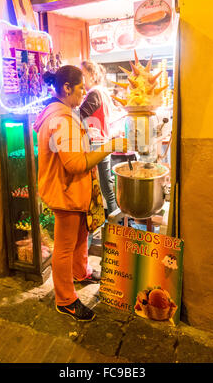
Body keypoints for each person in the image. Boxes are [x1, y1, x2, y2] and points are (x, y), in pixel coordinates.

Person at [33, 66, 127, 322]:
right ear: (66, 88)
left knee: (79, 238)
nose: (84, 92)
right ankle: (65, 300)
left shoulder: (63, 113)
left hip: (74, 191)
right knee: (64, 248)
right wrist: (110, 147)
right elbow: (74, 164)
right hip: (66, 192)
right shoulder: (61, 118)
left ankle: (81, 271)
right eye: (81, 87)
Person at [80, 61, 124, 217]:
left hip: (94, 144)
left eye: (83, 74)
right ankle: (115, 226)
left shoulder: (94, 93)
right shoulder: (103, 92)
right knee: (107, 188)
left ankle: (99, 228)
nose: (81, 78)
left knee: (93, 188)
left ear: (92, 75)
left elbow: (80, 116)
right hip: (103, 142)